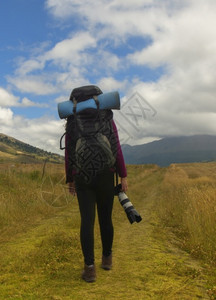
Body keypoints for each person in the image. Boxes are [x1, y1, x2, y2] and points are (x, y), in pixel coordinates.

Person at [63, 85, 128, 283]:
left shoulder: (73, 120)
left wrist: (70, 178)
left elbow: (69, 152)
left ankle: (89, 269)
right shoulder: (106, 117)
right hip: (106, 174)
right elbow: (116, 147)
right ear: (98, 98)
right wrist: (123, 175)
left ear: (74, 102)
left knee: (87, 221)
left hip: (82, 176)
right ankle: (107, 259)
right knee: (106, 219)